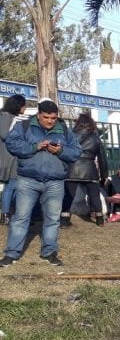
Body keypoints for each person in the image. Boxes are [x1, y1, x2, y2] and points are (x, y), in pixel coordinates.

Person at [0, 100, 81, 267]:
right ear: (38, 115)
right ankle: (11, 254)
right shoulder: (24, 126)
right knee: (21, 218)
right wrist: (34, 147)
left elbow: (77, 152)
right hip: (27, 180)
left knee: (52, 219)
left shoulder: (64, 129)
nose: (50, 121)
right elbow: (12, 144)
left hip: (55, 181)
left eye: (53, 118)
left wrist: (61, 151)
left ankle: (49, 252)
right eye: (46, 117)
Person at [60, 113, 109, 227]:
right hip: (90, 169)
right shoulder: (95, 138)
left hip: (73, 168)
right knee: (94, 195)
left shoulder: (70, 136)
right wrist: (104, 175)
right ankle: (100, 219)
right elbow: (102, 159)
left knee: (68, 196)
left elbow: (64, 152)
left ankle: (64, 220)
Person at [0, 94, 27, 224]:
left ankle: (8, 212)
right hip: (9, 157)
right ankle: (6, 214)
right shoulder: (6, 117)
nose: (25, 108)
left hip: (11, 156)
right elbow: (5, 134)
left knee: (13, 185)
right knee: (12, 185)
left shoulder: (8, 117)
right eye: (24, 105)